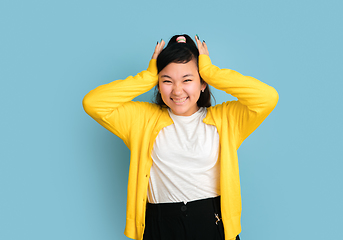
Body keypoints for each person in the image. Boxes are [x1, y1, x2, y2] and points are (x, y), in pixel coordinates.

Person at [83, 34, 278, 240]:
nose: (177, 90)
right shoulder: (142, 120)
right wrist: (148, 76)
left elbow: (267, 97)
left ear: (203, 83)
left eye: (187, 79)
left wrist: (211, 72)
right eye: (167, 80)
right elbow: (93, 103)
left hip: (212, 225)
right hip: (160, 227)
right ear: (158, 84)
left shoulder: (226, 119)